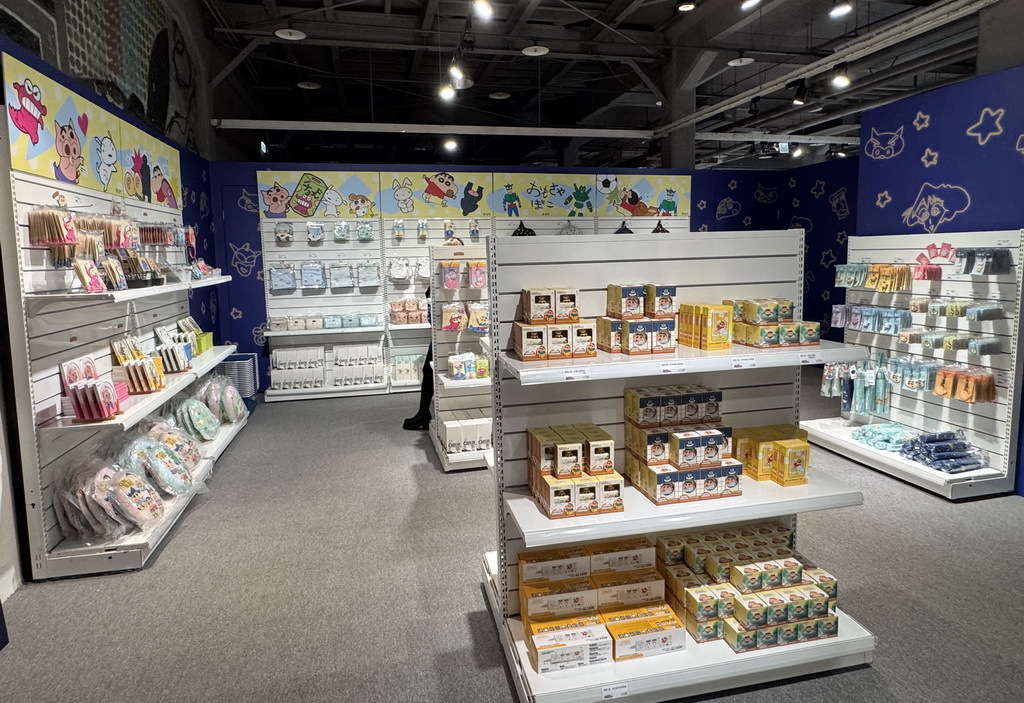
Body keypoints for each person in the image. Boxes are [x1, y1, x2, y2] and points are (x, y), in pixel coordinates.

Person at [403, 285, 432, 430]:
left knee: (429, 372)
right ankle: (424, 413)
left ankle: (423, 414)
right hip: (441, 339)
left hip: (443, 339)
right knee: (428, 372)